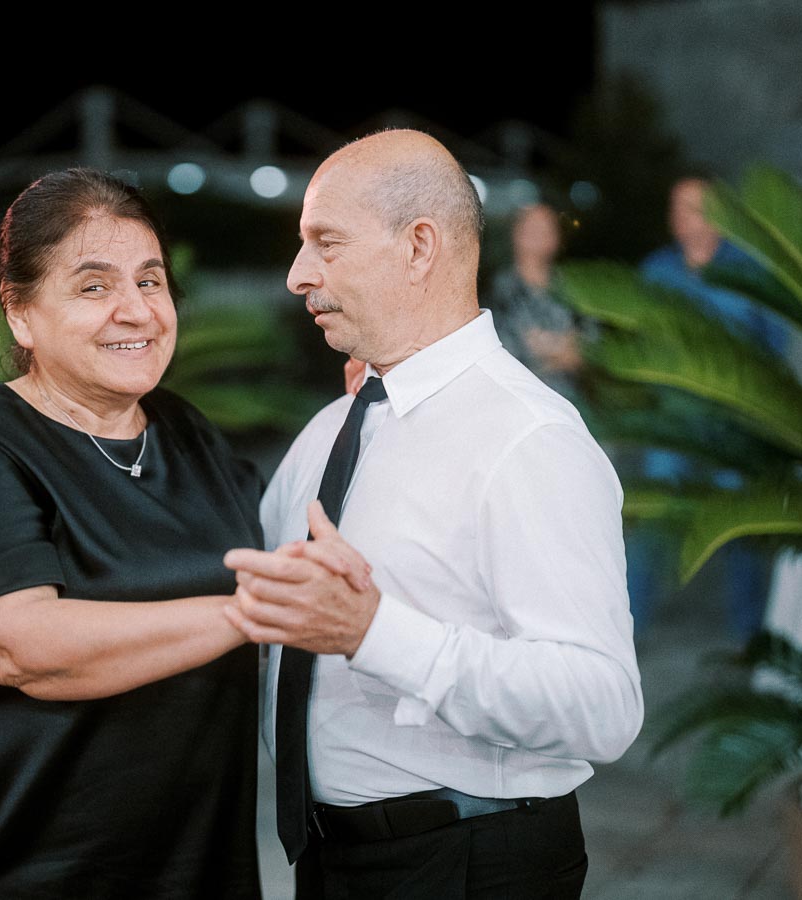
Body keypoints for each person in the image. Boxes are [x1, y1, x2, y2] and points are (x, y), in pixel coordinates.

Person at [223, 129, 644, 899]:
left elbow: (603, 704)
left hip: (468, 862)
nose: (296, 275)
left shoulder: (528, 437)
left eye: (326, 243)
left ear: (420, 247)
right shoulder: (333, 428)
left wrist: (373, 633)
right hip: (332, 860)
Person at [0, 168, 266, 899]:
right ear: (20, 312)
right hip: (38, 869)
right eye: (95, 287)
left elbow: (290, 546)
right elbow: (18, 646)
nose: (137, 310)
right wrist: (247, 616)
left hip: (202, 866)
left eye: (151, 282)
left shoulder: (188, 433)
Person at [627, 176, 789, 640]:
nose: (684, 217)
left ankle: (749, 635)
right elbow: (635, 339)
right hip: (673, 420)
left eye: (695, 207)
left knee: (743, 522)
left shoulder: (752, 272)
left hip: (735, 420)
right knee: (652, 511)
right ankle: (629, 628)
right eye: (677, 207)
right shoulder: (656, 271)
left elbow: (774, 348)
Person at [489, 203, 594, 407]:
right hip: (516, 404)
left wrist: (543, 347)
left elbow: (594, 348)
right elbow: (504, 355)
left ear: (557, 237)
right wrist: (562, 349)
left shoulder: (574, 290)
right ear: (515, 234)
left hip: (573, 404)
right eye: (531, 228)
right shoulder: (498, 289)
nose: (538, 235)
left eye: (546, 228)